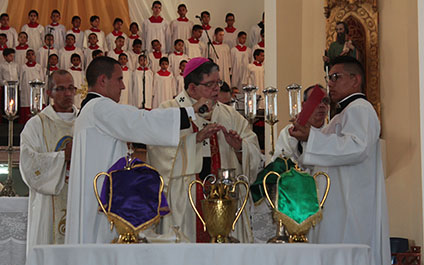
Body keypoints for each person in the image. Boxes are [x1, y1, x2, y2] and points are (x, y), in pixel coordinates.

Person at [65, 56, 209, 244]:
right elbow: (140, 121)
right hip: (101, 201)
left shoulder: (90, 111)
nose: (123, 86)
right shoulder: (100, 108)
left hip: (94, 197)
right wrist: (190, 111)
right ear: (102, 80)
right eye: (119, 79)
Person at [147, 57, 262, 243]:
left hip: (225, 197)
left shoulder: (229, 114)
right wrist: (195, 140)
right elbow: (158, 152)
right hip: (187, 199)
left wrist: (240, 148)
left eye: (219, 82)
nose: (217, 88)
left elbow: (254, 150)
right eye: (210, 84)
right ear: (192, 88)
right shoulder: (169, 111)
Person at [289, 56, 390, 265]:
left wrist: (312, 137)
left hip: (352, 205)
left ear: (355, 80)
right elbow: (321, 157)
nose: (330, 83)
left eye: (336, 77)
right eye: (329, 77)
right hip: (336, 205)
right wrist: (304, 138)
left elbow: (357, 148)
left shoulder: (361, 109)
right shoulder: (340, 116)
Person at [20, 70, 77, 254]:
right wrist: (62, 157)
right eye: (60, 89)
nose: (67, 94)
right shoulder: (37, 125)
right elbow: (29, 166)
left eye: (70, 88)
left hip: (79, 203)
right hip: (47, 209)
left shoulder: (85, 122)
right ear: (49, 93)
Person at [272, 85, 329, 162]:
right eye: (316, 100)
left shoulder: (332, 131)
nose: (322, 105)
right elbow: (279, 162)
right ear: (304, 105)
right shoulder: (288, 132)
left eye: (325, 101)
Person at [19, 49, 44, 124]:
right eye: (28, 54)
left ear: (35, 56)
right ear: (26, 56)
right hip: (26, 89)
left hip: (37, 88)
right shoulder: (23, 67)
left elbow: (41, 78)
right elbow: (20, 78)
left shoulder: (38, 67)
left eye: (32, 54)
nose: (30, 56)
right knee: (27, 102)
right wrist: (21, 89)